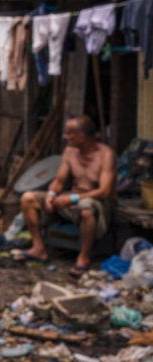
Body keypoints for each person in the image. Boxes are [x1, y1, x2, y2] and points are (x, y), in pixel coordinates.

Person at [16, 115, 117, 277]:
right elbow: (59, 180)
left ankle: (84, 257)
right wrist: (51, 194)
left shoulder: (106, 154)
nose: (65, 137)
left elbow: (104, 191)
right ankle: (38, 249)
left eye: (69, 133)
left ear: (82, 136)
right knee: (28, 198)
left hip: (99, 202)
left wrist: (72, 199)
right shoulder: (70, 152)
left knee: (86, 208)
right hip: (71, 199)